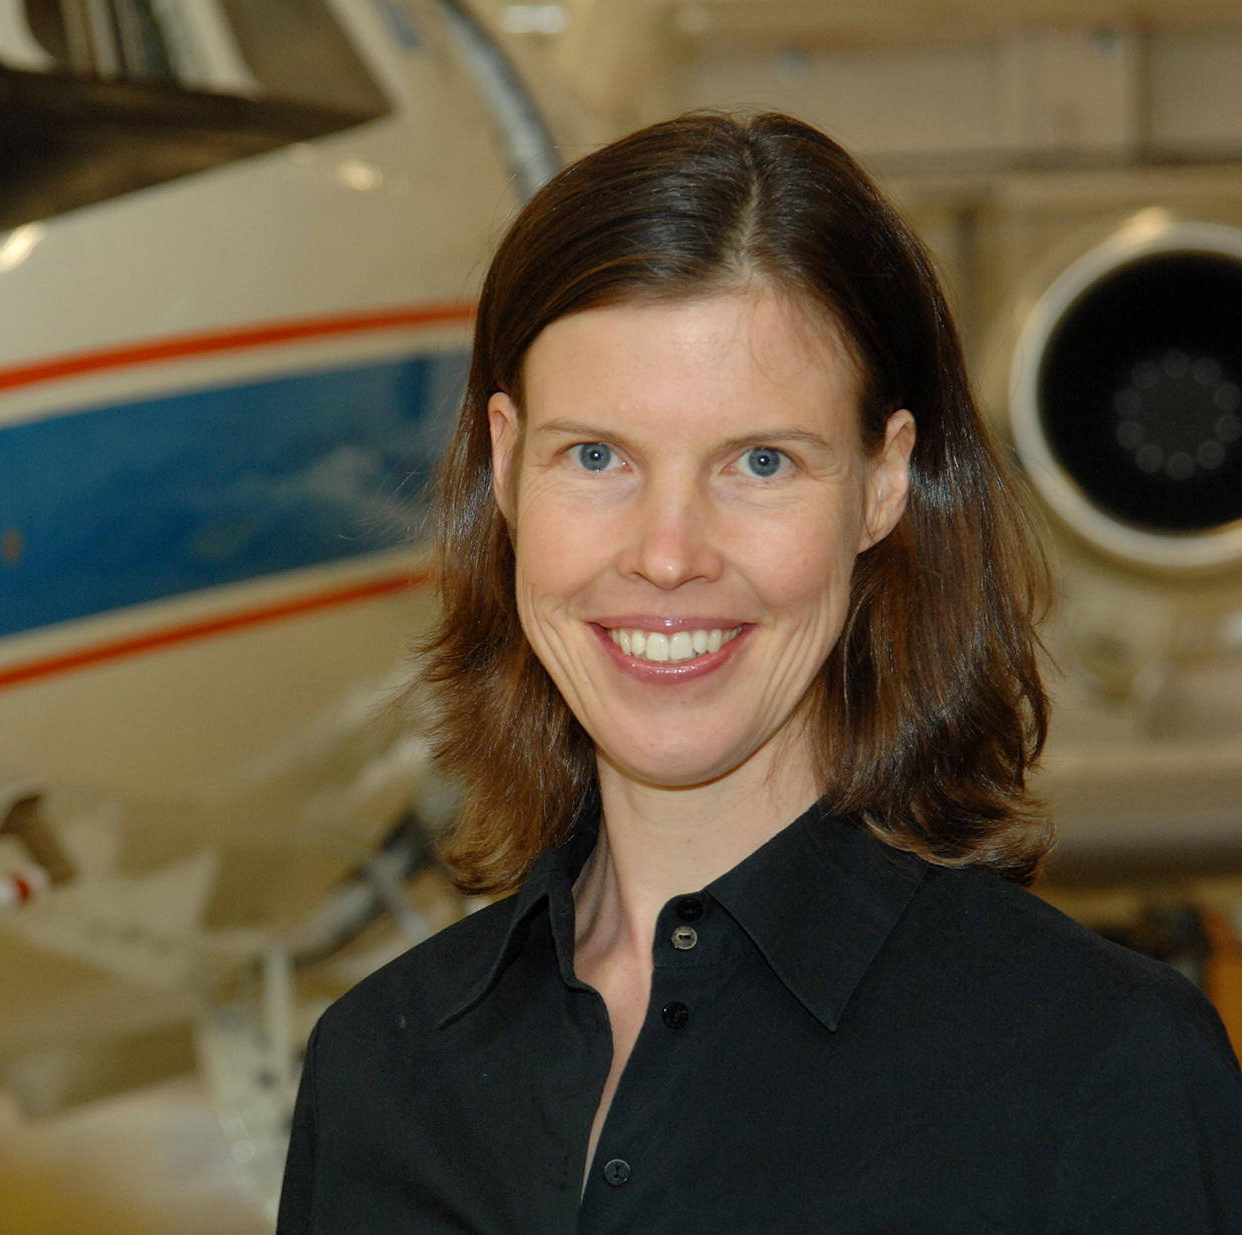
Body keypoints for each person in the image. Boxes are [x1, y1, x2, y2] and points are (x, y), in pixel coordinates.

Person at [277, 111, 1242, 1233]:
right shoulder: (377, 1075)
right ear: (504, 463)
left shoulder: (1100, 1070)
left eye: (761, 461)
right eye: (596, 456)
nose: (669, 553)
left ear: (884, 481)